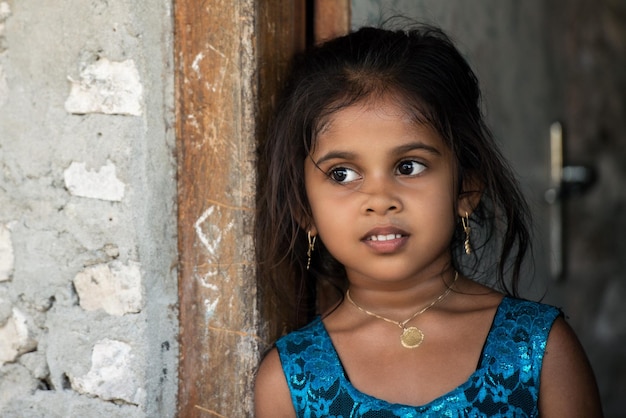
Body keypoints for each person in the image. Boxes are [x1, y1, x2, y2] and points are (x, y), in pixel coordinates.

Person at [254, 24, 602, 417]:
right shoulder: (290, 380)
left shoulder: (539, 349)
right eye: (342, 174)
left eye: (408, 166)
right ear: (305, 211)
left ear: (466, 190)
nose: (380, 200)